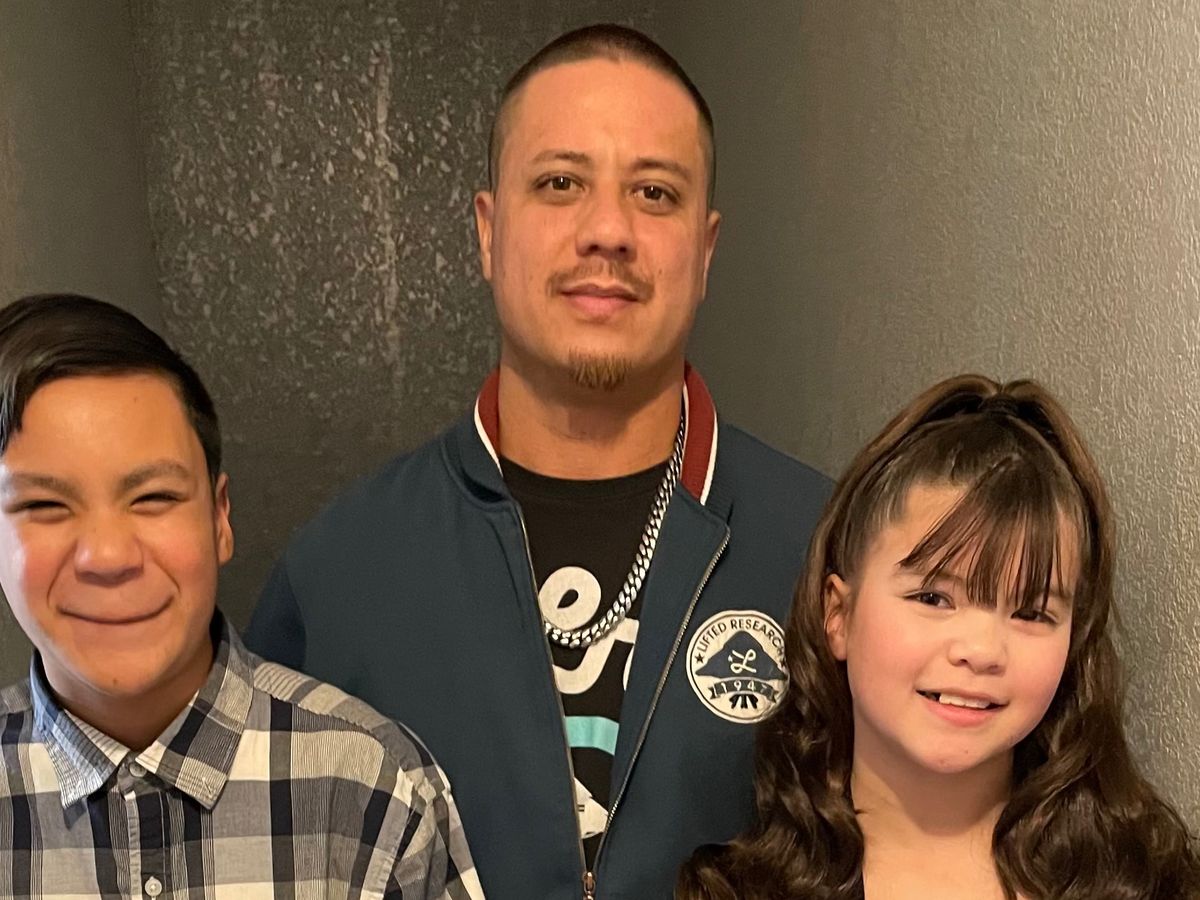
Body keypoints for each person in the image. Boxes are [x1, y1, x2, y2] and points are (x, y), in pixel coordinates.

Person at [245, 22, 830, 899]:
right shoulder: (340, 575)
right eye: (560, 183)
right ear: (488, 232)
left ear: (705, 250)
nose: (609, 230)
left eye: (655, 193)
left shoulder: (828, 549)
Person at [0, 294, 482, 899]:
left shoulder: (372, 787)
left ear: (220, 518)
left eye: (154, 497)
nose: (108, 556)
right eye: (45, 506)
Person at [678, 375, 1200, 900]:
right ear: (838, 614)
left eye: (1031, 612)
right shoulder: (738, 890)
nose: (981, 651)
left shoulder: (1147, 883)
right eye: (933, 598)